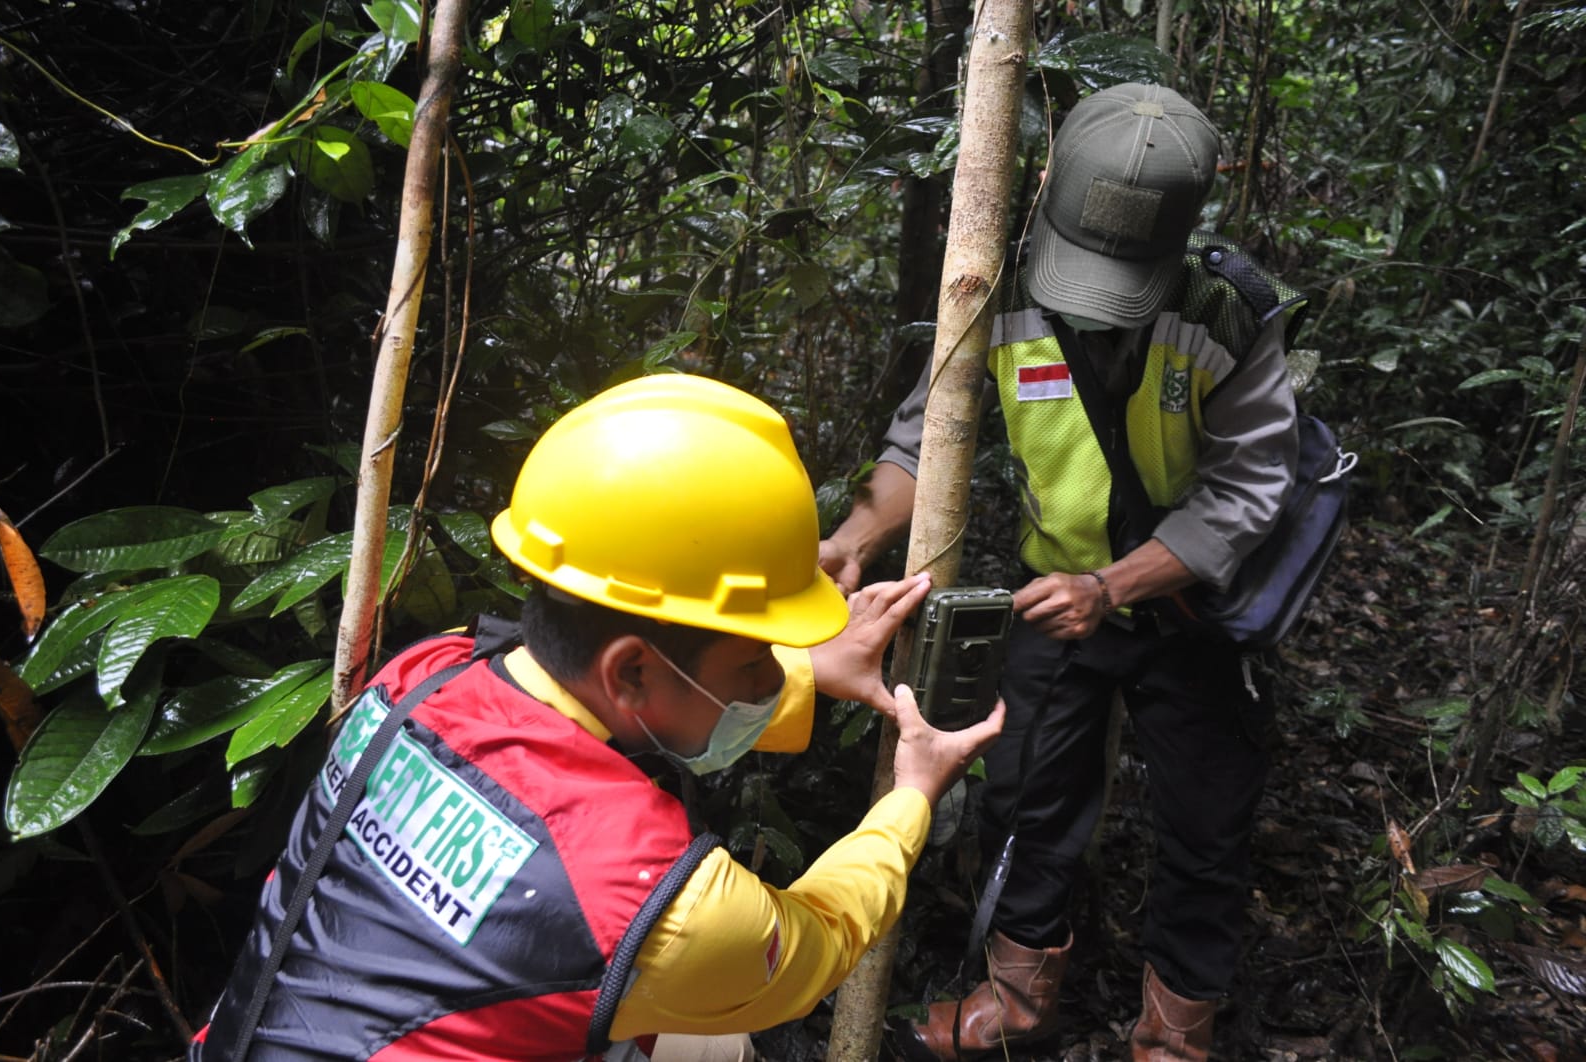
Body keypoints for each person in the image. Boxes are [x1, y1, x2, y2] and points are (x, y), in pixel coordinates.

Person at [188, 372, 1004, 1062]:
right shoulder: (656, 905)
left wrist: (805, 673)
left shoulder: (422, 673)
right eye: (755, 657)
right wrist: (912, 796)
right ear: (634, 668)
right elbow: (816, 941)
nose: (767, 677)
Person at [819, 83, 1308, 1062]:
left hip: (1190, 611)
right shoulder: (990, 289)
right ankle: (1019, 1001)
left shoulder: (1228, 313)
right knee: (1025, 796)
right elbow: (927, 439)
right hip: (1054, 595)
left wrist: (1116, 588)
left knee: (1204, 825)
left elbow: (1250, 488)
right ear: (1042, 183)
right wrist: (857, 536)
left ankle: (1175, 1035)